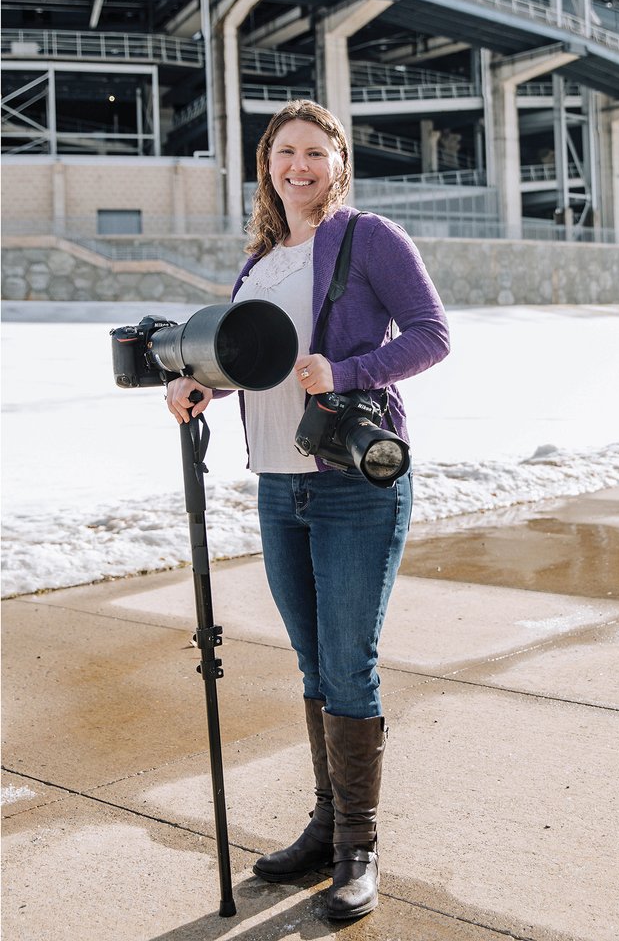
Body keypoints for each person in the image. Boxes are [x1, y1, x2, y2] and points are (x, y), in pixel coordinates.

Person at [166, 99, 450, 920]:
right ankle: (327, 827)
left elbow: (431, 335)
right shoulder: (259, 260)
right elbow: (246, 361)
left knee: (349, 663)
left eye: (314, 153)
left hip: (354, 485)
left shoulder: (369, 239)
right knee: (312, 664)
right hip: (277, 485)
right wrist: (199, 386)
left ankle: (358, 848)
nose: (299, 166)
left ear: (339, 163)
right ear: (267, 165)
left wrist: (349, 371)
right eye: (284, 152)